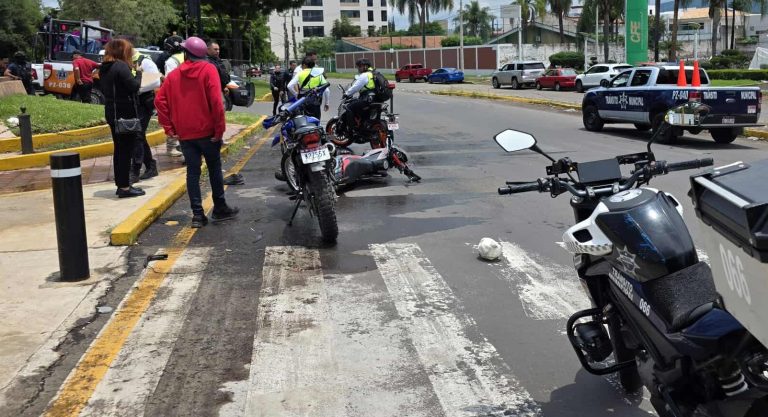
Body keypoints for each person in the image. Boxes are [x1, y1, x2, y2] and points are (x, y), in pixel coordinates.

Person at [155, 36, 239, 228]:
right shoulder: (208, 69)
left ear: (186, 53)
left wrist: (170, 128)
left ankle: (198, 215)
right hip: (208, 132)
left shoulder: (174, 75)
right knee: (214, 168)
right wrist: (219, 130)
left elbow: (160, 101)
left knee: (192, 173)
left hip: (186, 134)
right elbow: (217, 103)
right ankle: (219, 207)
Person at [100, 39, 144, 198]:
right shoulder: (121, 66)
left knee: (119, 149)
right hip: (125, 113)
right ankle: (125, 187)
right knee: (126, 150)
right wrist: (139, 73)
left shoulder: (105, 67)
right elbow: (133, 86)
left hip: (112, 111)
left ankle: (122, 184)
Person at [130, 49, 161, 183]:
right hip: (132, 103)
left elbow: (155, 82)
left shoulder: (145, 61)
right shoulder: (125, 61)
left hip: (143, 104)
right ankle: (150, 165)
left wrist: (136, 89)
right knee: (138, 135)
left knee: (137, 134)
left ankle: (136, 169)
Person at [158, 35, 185, 157]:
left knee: (173, 120)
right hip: (187, 94)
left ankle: (172, 147)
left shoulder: (172, 60)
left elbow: (170, 80)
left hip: (177, 94)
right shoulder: (187, 57)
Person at [342, 58, 378, 135]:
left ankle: (352, 130)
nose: (358, 68)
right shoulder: (374, 73)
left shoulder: (364, 75)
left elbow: (356, 87)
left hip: (367, 99)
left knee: (349, 107)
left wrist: (347, 94)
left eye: (359, 66)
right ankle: (364, 126)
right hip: (376, 99)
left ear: (364, 67)